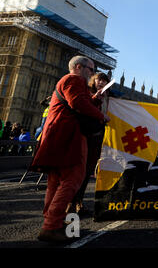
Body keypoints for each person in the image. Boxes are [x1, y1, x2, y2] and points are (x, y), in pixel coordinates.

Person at [30, 55, 110, 243]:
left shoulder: (67, 82)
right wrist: (102, 116)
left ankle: (51, 221)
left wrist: (95, 99)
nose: (91, 73)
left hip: (56, 133)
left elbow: (79, 102)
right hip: (69, 135)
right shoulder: (73, 79)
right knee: (73, 178)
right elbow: (77, 104)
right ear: (79, 67)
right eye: (91, 69)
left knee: (56, 180)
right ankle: (51, 226)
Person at [68, 72, 110, 216]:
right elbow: (84, 107)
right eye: (100, 80)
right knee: (79, 171)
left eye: (105, 81)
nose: (102, 83)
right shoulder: (86, 92)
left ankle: (79, 201)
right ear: (94, 80)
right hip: (86, 136)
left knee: (87, 171)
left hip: (98, 138)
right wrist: (96, 98)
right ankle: (70, 204)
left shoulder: (109, 99)